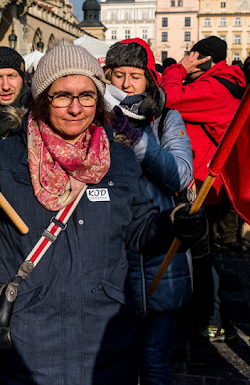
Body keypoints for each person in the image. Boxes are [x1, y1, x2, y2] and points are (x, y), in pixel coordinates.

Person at [0, 43, 207, 384]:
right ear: (41, 98)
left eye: (87, 96)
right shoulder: (5, 157)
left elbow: (140, 231)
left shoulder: (121, 160)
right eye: (62, 95)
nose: (75, 108)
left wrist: (172, 223)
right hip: (26, 342)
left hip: (105, 343)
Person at [105, 38, 195, 384]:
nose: (126, 84)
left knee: (155, 360)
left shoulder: (166, 120)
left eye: (136, 76)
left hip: (161, 255)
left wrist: (134, 138)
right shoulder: (98, 118)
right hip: (115, 256)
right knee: (117, 361)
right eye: (118, 75)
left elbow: (180, 174)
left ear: (150, 80)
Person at [161, 36, 246, 342]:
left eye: (192, 55)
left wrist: (177, 70)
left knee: (202, 254)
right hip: (206, 180)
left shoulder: (215, 88)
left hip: (206, 184)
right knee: (200, 252)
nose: (188, 60)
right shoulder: (222, 82)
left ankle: (214, 319)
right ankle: (209, 315)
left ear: (204, 58)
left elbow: (169, 98)